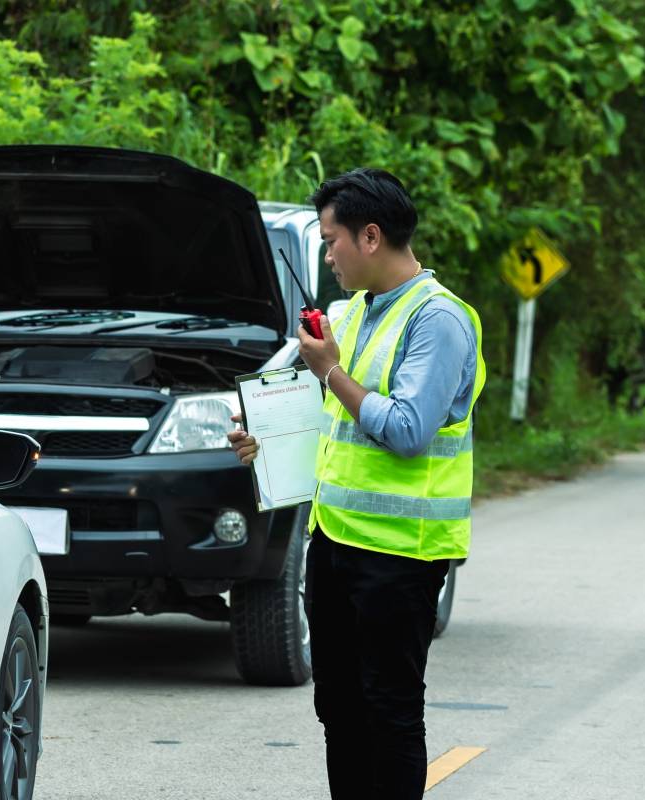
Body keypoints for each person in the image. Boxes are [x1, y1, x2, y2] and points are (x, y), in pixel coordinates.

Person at [229, 167, 485, 799]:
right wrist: (262, 435)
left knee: (389, 710)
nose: (327, 256)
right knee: (337, 707)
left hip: (403, 552)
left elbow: (406, 429)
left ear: (371, 237)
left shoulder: (439, 321)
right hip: (336, 543)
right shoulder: (350, 313)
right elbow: (330, 418)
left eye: (331, 240)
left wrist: (333, 372)